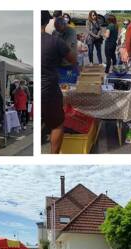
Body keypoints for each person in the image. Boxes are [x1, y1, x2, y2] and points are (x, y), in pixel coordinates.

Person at [42, 12, 76, 154]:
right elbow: (72, 59)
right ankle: (53, 157)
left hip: (45, 86)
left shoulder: (66, 34)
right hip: (48, 88)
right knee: (57, 124)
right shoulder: (54, 41)